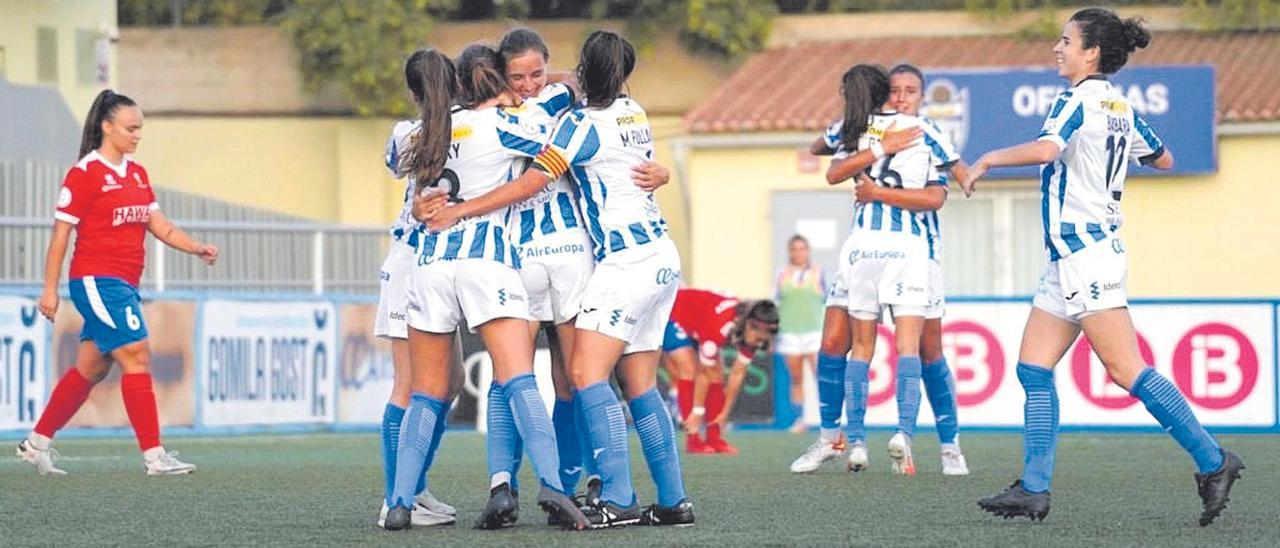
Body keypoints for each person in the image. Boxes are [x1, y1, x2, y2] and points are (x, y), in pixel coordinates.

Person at [964, 8, 1243, 525]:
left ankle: (1214, 461)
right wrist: (1107, 165)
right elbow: (1162, 158)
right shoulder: (1119, 106)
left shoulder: (1075, 99)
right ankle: (1033, 488)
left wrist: (985, 159)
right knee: (1032, 367)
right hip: (1069, 258)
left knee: (1125, 370)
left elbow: (1049, 149)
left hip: (1087, 255)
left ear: (1091, 53)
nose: (1057, 48)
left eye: (1065, 41)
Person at [421, 30, 691, 529]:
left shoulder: (531, 119)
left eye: (536, 74)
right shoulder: (612, 109)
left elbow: (531, 178)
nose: (527, 83)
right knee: (610, 380)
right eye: (518, 76)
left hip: (553, 258)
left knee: (543, 375)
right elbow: (583, 103)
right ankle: (649, 495)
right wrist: (661, 172)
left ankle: (563, 487)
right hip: (625, 256)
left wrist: (456, 212)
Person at [381, 45, 588, 531]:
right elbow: (552, 118)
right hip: (485, 260)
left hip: (430, 265)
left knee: (426, 395)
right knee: (518, 379)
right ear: (493, 82)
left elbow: (398, 165)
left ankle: (399, 501)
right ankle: (555, 487)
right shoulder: (503, 125)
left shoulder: (415, 132)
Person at [17, 89, 217, 476]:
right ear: (107, 127)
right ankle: (155, 457)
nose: (138, 135)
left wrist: (196, 248)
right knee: (137, 353)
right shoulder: (85, 173)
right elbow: (60, 236)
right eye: (131, 128)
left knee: (92, 367)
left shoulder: (137, 174)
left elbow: (159, 225)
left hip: (124, 284)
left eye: (140, 128)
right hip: (96, 280)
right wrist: (49, 289)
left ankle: (36, 443)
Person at [806, 64, 972, 475]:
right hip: (865, 251)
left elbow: (937, 195)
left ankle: (948, 447)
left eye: (910, 91)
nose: (901, 98)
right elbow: (822, 153)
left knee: (926, 351)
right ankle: (835, 439)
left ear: (921, 95)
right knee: (833, 343)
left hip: (918, 250)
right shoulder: (859, 127)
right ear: (883, 94)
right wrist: (872, 141)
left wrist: (877, 187)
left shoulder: (924, 132)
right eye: (895, 91)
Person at [371, 54, 463, 528]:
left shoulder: (405, 134)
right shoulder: (470, 130)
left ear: (413, 92)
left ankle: (414, 487)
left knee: (444, 386)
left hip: (420, 265)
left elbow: (394, 164)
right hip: (418, 264)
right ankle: (395, 497)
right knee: (413, 386)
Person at [665, 289, 780, 454]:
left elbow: (737, 373)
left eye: (763, 340)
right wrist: (698, 412)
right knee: (689, 370)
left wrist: (725, 413)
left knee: (716, 376)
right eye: (758, 338)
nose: (758, 343)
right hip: (674, 313)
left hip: (700, 321)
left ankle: (715, 437)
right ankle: (694, 439)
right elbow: (703, 373)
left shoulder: (753, 331)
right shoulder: (718, 328)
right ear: (749, 325)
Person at [773, 235, 825, 433]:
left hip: (814, 332)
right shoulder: (782, 274)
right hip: (790, 332)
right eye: (795, 249)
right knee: (796, 378)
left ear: (808, 251)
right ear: (790, 252)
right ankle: (799, 418)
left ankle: (827, 419)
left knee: (820, 377)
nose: (799, 253)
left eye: (802, 248)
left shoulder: (819, 273)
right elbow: (776, 302)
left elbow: (827, 301)